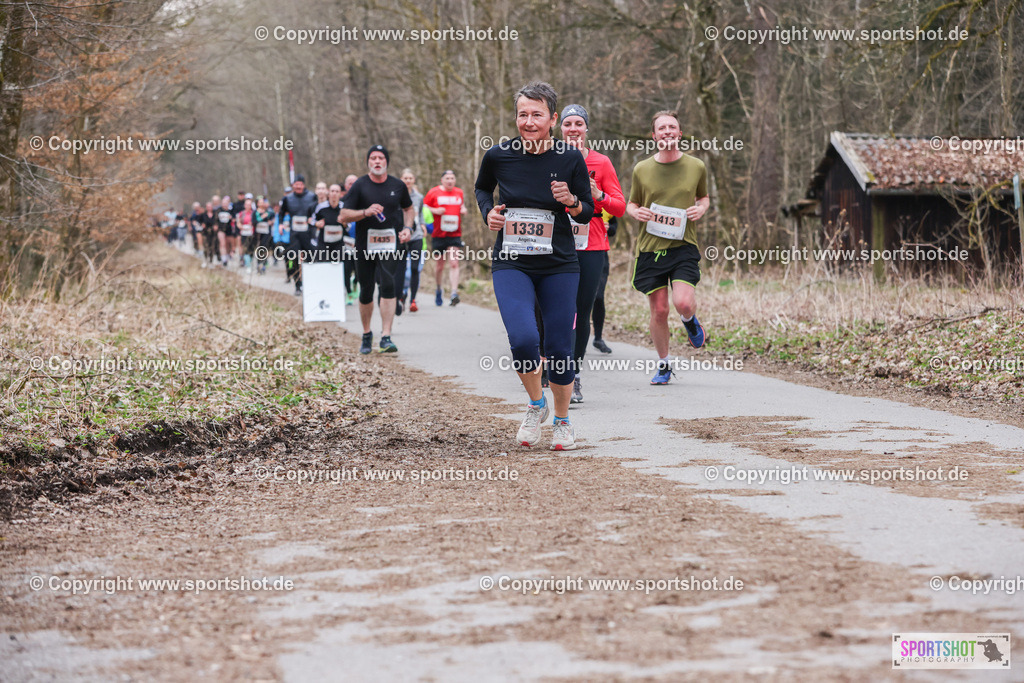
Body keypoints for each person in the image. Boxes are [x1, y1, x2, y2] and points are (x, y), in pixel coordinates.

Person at [475, 81, 593, 450]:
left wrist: (571, 200)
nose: (528, 121)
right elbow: (482, 189)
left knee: (560, 346)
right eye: (522, 114)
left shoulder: (569, 158)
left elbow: (587, 211)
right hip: (512, 262)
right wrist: (488, 213)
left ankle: (562, 420)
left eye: (536, 114)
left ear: (553, 119)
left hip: (559, 264)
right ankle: (535, 404)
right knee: (524, 338)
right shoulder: (498, 156)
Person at [625, 110, 710, 385]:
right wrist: (635, 213)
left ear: (680, 133)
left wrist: (701, 209)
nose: (667, 131)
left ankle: (689, 320)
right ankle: (664, 364)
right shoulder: (642, 169)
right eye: (661, 128)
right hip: (651, 247)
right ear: (654, 136)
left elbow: (704, 197)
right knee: (659, 310)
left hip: (683, 245)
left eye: (672, 127)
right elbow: (632, 203)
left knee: (682, 302)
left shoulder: (696, 166)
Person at [559, 104, 626, 403]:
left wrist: (598, 195)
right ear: (558, 128)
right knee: (553, 311)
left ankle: (573, 376)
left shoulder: (602, 162)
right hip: (556, 241)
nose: (573, 128)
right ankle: (552, 366)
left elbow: (621, 207)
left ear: (587, 129)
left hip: (592, 243)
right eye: (567, 123)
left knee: (581, 312)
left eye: (578, 123)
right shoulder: (549, 158)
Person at [338, 145, 414, 354]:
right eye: (373, 158)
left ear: (387, 161)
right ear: (368, 162)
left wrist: (408, 228)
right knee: (366, 290)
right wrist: (365, 212)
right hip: (364, 246)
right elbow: (343, 215)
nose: (377, 161)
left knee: (388, 286)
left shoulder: (398, 185)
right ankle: (366, 333)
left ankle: (386, 336)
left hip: (390, 244)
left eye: (381, 158)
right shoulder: (360, 185)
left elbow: (409, 208)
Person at [424, 170, 467, 306]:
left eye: (452, 178)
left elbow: (462, 205)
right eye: (447, 178)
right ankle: (438, 289)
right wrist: (435, 210)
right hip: (438, 234)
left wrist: (463, 210)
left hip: (455, 233)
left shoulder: (459, 192)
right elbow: (423, 207)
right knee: (440, 265)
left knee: (454, 263)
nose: (450, 181)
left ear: (455, 180)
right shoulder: (433, 192)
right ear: (442, 180)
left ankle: (454, 293)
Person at [278, 174, 319, 295]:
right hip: (294, 233)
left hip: (309, 233)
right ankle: (297, 285)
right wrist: (280, 224)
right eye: (296, 184)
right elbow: (281, 213)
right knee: (294, 258)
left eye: (300, 184)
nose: (298, 186)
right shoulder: (288, 198)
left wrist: (315, 220)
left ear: (304, 185)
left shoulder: (312, 196)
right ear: (293, 185)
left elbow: (318, 211)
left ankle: (312, 283)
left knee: (311, 258)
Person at [397, 169, 426, 312]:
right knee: (401, 268)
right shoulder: (396, 195)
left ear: (413, 180)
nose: (408, 181)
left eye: (410, 178)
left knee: (415, 268)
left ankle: (413, 299)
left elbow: (419, 214)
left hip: (416, 236)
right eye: (405, 178)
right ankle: (401, 295)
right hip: (401, 236)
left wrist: (422, 225)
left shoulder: (419, 197)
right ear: (401, 179)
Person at [591, 210, 617, 354]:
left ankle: (598, 338)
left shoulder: (605, 204)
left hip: (600, 252)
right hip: (576, 251)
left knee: (599, 296)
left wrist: (609, 228)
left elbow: (614, 227)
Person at [253, 197, 276, 275]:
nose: (262, 204)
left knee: (265, 249)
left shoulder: (269, 211)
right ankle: (259, 265)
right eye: (260, 202)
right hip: (258, 234)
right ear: (257, 204)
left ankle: (263, 264)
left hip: (267, 233)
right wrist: (262, 217)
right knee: (259, 249)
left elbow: (274, 218)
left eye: (263, 202)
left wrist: (271, 222)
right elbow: (254, 221)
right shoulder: (255, 212)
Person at [215, 196, 235, 267]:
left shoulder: (231, 210)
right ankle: (224, 259)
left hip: (229, 229)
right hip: (221, 229)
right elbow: (215, 219)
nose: (224, 204)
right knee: (222, 243)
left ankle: (227, 255)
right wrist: (215, 225)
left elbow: (234, 219)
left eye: (226, 203)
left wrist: (232, 218)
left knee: (228, 245)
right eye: (223, 203)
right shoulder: (218, 210)